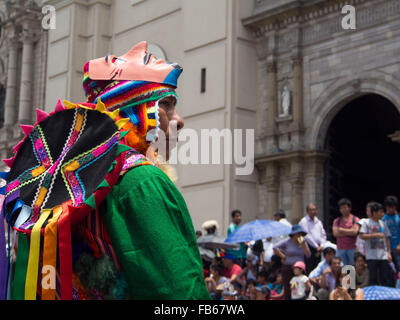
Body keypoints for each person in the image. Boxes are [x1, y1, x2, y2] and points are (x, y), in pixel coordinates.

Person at [2, 41, 210, 300]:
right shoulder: (141, 181)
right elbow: (178, 292)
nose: (179, 119)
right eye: (166, 104)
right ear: (137, 111)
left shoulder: (49, 189)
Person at [360, 202, 394, 287]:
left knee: (385, 278)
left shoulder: (383, 223)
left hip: (383, 255)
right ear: (374, 213)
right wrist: (375, 235)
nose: (382, 214)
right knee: (373, 278)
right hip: (371, 256)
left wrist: (389, 253)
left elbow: (387, 238)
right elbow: (362, 236)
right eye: (380, 212)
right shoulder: (366, 223)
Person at [273, 225, 311, 300]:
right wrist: (283, 256)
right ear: (294, 234)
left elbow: (308, 255)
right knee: (288, 287)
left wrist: (304, 245)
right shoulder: (287, 241)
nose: (299, 235)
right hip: (288, 266)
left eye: (301, 234)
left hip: (300, 268)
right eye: (298, 233)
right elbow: (275, 247)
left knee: (300, 286)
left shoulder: (303, 242)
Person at [299, 203, 327, 273]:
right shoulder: (304, 221)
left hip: (319, 248)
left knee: (317, 266)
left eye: (314, 210)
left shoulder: (318, 222)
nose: (313, 212)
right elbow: (306, 236)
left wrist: (322, 245)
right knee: (309, 266)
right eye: (311, 210)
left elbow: (323, 235)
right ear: (307, 211)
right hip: (309, 247)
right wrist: (316, 246)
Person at [332, 198, 360, 266]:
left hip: (352, 249)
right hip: (340, 249)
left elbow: (355, 232)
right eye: (341, 208)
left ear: (349, 208)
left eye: (345, 207)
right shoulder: (336, 221)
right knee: (342, 269)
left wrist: (341, 230)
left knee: (352, 268)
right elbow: (335, 234)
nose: (343, 210)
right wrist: (349, 231)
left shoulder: (355, 219)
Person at [382, 195, 400, 277]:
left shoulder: (398, 218)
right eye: (388, 208)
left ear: (395, 207)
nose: (390, 210)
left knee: (398, 267)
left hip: (397, 248)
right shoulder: (383, 219)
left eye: (392, 207)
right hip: (386, 249)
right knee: (388, 270)